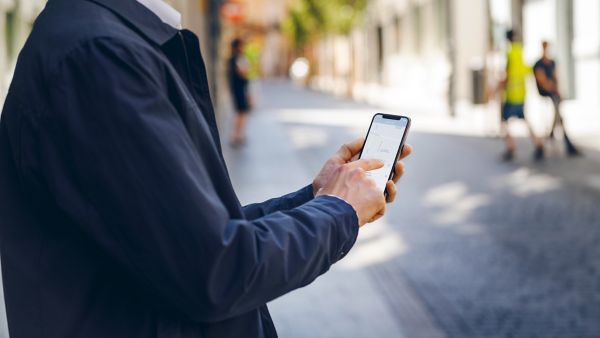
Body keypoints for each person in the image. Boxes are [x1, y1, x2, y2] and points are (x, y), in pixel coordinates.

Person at [0, 1, 412, 338]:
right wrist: (338, 211)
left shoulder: (104, 41)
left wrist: (316, 196)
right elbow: (217, 270)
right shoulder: (101, 55)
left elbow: (189, 236)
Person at [499, 29, 545, 162]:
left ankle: (510, 147)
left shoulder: (509, 53)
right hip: (521, 92)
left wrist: (499, 88)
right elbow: (527, 69)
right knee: (524, 118)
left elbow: (507, 74)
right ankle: (538, 144)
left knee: (504, 122)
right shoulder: (520, 51)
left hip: (512, 94)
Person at [533, 41, 580, 156]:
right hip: (545, 92)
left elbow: (555, 77)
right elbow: (542, 81)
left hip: (553, 93)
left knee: (557, 105)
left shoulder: (552, 62)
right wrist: (553, 88)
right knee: (557, 108)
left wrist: (558, 89)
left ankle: (552, 134)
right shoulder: (538, 64)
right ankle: (563, 139)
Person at [228, 38, 251, 146]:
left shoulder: (233, 58)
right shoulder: (236, 58)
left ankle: (238, 135)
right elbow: (243, 71)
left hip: (238, 88)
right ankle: (236, 136)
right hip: (239, 89)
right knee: (241, 111)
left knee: (241, 112)